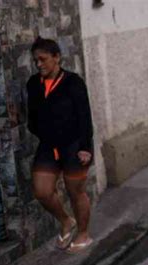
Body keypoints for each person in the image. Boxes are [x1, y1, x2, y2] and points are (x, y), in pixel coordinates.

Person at [27, 37, 94, 253]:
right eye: (36, 60)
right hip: (48, 147)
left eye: (43, 59)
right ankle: (66, 221)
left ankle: (83, 234)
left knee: (76, 192)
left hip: (74, 146)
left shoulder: (73, 82)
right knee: (42, 191)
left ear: (57, 57)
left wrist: (86, 147)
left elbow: (84, 116)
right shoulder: (32, 84)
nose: (39, 64)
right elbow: (33, 117)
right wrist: (40, 131)